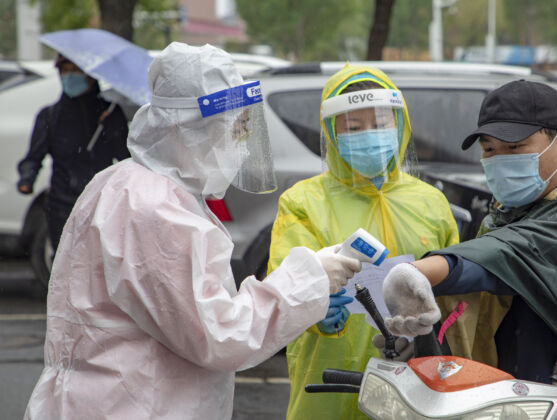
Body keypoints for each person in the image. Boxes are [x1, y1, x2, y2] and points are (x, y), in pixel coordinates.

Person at [23, 42, 362, 420]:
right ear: (189, 128)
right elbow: (221, 335)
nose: (243, 144)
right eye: (236, 128)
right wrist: (310, 277)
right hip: (132, 406)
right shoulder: (153, 208)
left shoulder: (128, 184)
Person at [381, 80, 557, 419]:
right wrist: (421, 346)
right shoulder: (506, 213)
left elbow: (506, 257)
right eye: (489, 150)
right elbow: (479, 305)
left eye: (514, 148)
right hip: (517, 401)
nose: (499, 161)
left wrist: (423, 272)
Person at [267, 64, 460, 419]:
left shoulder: (430, 202)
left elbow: (456, 294)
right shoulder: (303, 203)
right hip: (329, 381)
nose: (370, 135)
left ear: (399, 126)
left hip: (416, 382)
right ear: (331, 132)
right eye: (354, 128)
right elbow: (283, 286)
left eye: (381, 123)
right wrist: (315, 313)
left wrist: (430, 335)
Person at [17, 53, 130, 250]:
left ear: (90, 76)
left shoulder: (110, 113)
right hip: (61, 204)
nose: (69, 76)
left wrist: (111, 128)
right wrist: (27, 179)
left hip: (100, 202)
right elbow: (34, 156)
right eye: (65, 71)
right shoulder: (50, 116)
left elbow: (125, 157)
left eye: (75, 71)